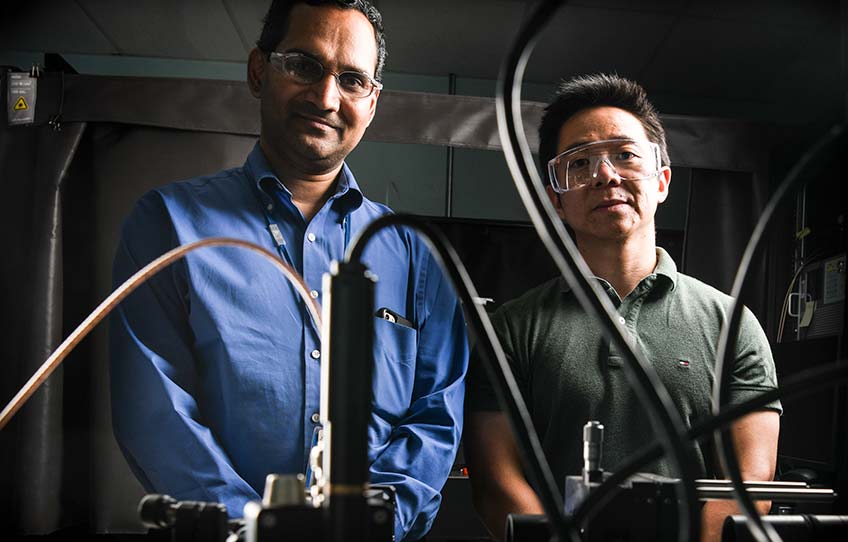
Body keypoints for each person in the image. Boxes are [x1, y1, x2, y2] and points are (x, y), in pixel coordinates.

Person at [109, 2, 468, 540]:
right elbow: (155, 412)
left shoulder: (413, 251)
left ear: (371, 103)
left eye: (351, 80)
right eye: (304, 66)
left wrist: (371, 522)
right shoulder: (169, 224)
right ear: (259, 72)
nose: (326, 98)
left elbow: (438, 413)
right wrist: (256, 529)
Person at [463, 73, 781, 542]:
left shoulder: (733, 325)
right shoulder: (509, 330)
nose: (606, 175)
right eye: (580, 163)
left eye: (625, 155)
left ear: (662, 181)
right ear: (556, 198)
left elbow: (748, 486)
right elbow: (496, 483)